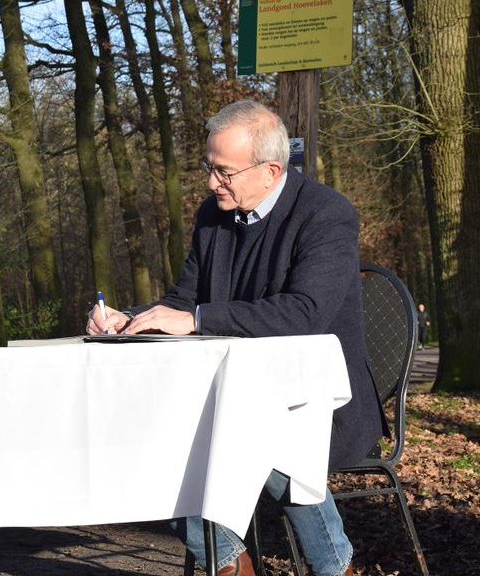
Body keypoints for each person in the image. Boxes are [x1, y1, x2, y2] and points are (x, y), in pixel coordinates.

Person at [87, 100, 384, 576]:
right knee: (153, 425)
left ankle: (333, 569)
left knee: (259, 436)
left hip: (316, 405)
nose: (211, 183)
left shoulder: (326, 214)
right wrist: (128, 318)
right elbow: (183, 301)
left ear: (270, 171)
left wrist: (199, 318)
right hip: (229, 397)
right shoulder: (213, 216)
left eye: (224, 172)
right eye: (209, 168)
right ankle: (226, 561)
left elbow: (304, 312)